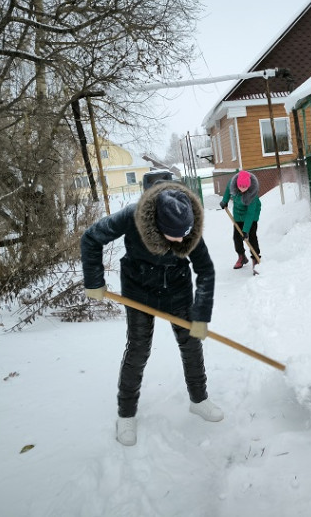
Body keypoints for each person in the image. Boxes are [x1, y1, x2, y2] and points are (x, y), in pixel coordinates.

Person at [80, 182, 223, 447]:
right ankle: (126, 415)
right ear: (157, 226)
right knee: (138, 350)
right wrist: (94, 282)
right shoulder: (132, 216)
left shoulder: (187, 227)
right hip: (139, 290)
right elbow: (91, 238)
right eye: (174, 235)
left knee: (191, 345)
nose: (182, 240)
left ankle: (199, 400)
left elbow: (205, 270)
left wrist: (201, 316)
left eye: (185, 233)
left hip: (177, 291)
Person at [219, 170, 261, 270]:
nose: (242, 189)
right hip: (238, 213)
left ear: (249, 185)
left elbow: (250, 214)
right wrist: (224, 201)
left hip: (252, 214)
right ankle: (241, 256)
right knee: (237, 237)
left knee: (251, 236)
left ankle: (256, 259)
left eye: (245, 187)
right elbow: (228, 190)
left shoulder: (252, 195)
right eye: (240, 187)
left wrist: (245, 230)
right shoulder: (232, 183)